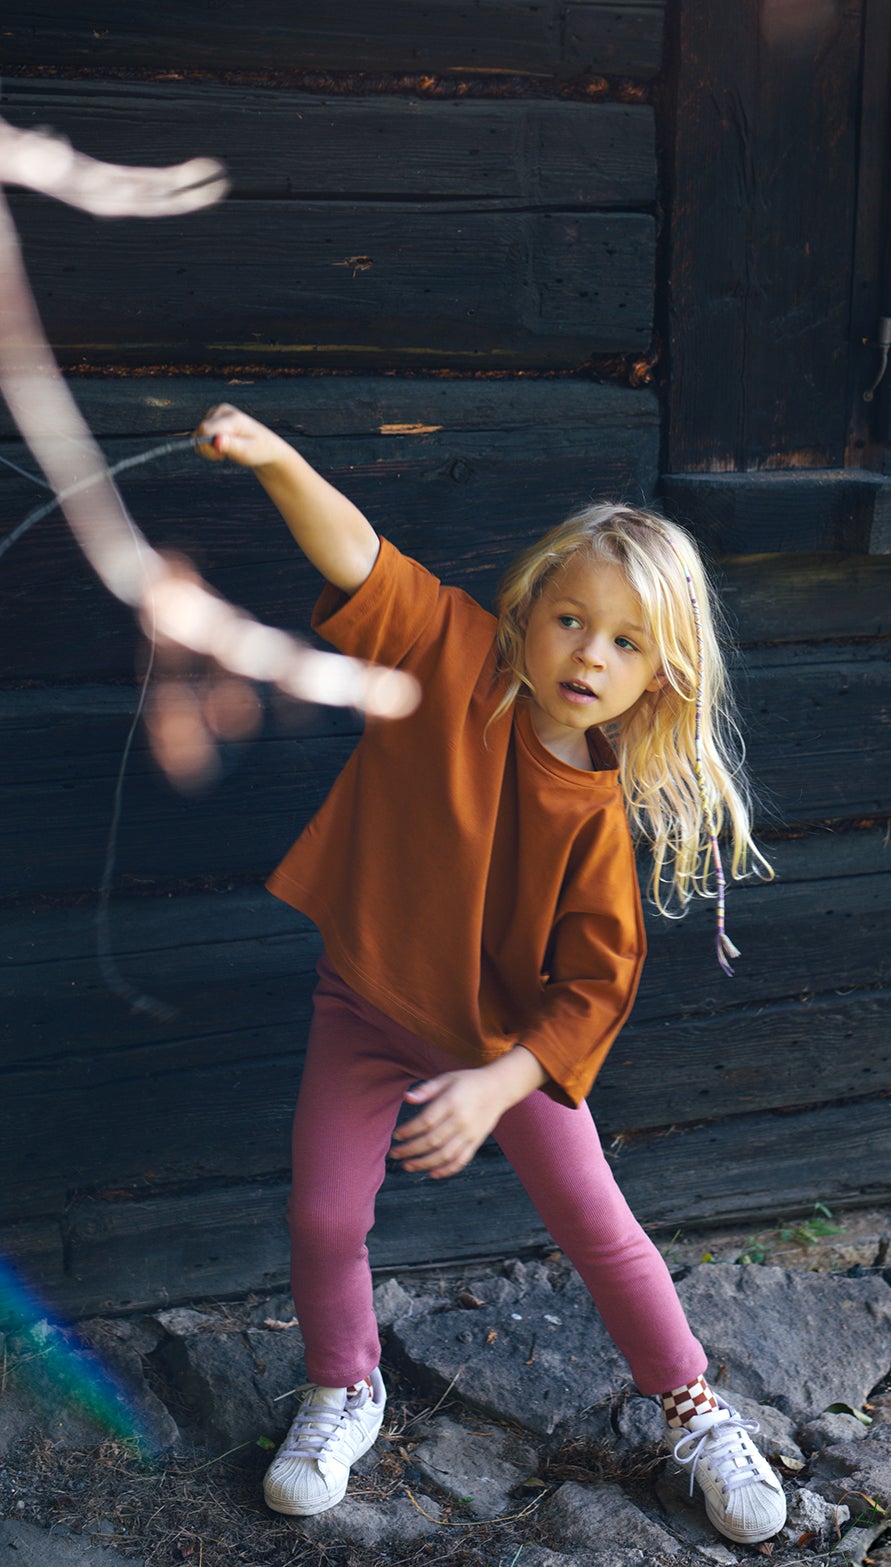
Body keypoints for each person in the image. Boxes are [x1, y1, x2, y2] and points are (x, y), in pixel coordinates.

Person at [193, 403, 785, 1547]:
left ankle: (694, 1408)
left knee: (599, 1229)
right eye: (571, 620)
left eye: (623, 643)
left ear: (658, 677)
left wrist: (497, 1083)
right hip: (366, 1005)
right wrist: (275, 460)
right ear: (526, 612)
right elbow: (360, 555)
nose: (587, 655)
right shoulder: (451, 654)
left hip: (505, 1054)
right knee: (323, 1217)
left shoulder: (596, 823)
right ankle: (343, 1388)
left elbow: (593, 992)